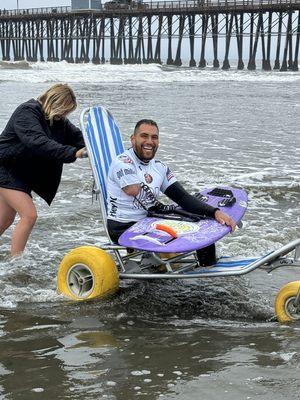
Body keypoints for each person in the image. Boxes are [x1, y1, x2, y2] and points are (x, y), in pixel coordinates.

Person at [106, 119, 236, 266]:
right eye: (144, 136)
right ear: (133, 139)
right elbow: (132, 190)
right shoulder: (122, 162)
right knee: (183, 226)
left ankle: (208, 269)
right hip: (123, 227)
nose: (149, 141)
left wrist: (215, 212)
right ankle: (164, 261)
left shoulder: (159, 167)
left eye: (154, 137)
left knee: (200, 223)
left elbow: (182, 197)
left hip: (148, 221)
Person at [0, 83, 86, 257]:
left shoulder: (57, 119)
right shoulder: (27, 112)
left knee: (6, 219)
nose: (65, 115)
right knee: (29, 215)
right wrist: (73, 153)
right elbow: (37, 141)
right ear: (55, 103)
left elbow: (77, 137)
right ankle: (15, 265)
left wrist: (94, 146)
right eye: (64, 111)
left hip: (21, 172)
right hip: (5, 166)